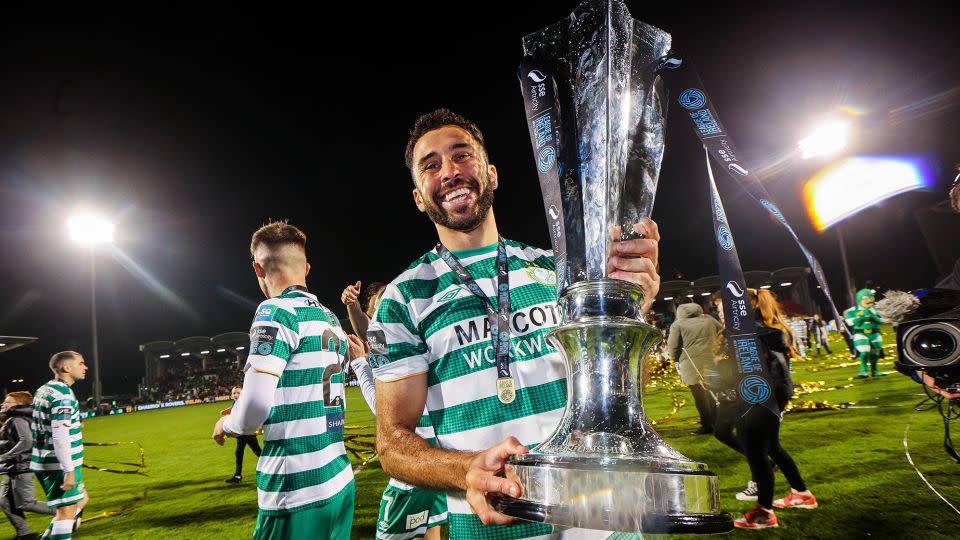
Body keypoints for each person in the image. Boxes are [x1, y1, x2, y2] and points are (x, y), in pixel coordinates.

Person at [369, 109, 661, 539]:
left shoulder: (562, 273)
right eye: (430, 166)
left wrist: (631, 313)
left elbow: (622, 391)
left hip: (605, 517)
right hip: (492, 528)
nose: (449, 172)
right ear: (418, 196)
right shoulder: (402, 299)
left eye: (461, 156)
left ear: (491, 174)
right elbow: (392, 443)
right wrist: (465, 468)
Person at [212, 221, 353, 540]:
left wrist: (229, 424)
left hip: (295, 491)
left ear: (257, 268)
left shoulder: (274, 312)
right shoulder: (328, 317)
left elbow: (254, 410)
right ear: (306, 267)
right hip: (338, 480)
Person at [718, 289, 816, 530]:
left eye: (723, 308)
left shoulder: (751, 331)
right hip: (774, 391)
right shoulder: (762, 327)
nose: (720, 312)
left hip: (761, 393)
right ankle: (802, 493)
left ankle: (764, 512)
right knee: (771, 446)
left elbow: (745, 368)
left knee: (755, 449)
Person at [31, 351, 90, 539]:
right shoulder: (62, 395)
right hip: (58, 464)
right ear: (66, 368)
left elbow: (50, 425)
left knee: (76, 504)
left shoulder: (45, 389)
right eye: (81, 363)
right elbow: (60, 436)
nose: (85, 367)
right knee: (66, 513)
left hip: (44, 460)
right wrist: (69, 470)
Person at [1, 391, 55, 539]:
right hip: (10, 468)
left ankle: (66, 512)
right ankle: (24, 534)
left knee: (26, 503)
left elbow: (27, 441)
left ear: (19, 404)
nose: (3, 404)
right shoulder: (12, 418)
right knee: (5, 502)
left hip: (21, 467)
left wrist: (4, 456)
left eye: (8, 402)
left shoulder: (17, 418)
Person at [667, 302, 723, 435]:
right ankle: (717, 422)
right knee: (713, 392)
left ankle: (707, 426)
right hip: (712, 360)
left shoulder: (678, 325)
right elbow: (722, 332)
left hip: (691, 364)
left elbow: (673, 346)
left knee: (700, 397)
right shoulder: (709, 319)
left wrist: (674, 359)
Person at [221, 386, 262, 484]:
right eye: (234, 393)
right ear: (231, 395)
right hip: (242, 432)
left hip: (247, 432)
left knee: (257, 452)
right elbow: (234, 410)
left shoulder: (243, 403)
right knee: (240, 452)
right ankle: (237, 476)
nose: (236, 395)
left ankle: (274, 468)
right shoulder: (236, 403)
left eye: (238, 393)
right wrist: (227, 411)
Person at [843, 289, 885, 378]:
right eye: (866, 298)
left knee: (875, 353)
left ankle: (874, 371)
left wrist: (873, 317)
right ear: (860, 299)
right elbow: (850, 323)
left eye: (871, 297)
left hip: (875, 333)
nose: (869, 300)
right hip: (861, 333)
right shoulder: (852, 310)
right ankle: (863, 371)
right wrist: (861, 317)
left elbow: (885, 320)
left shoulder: (877, 309)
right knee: (864, 351)